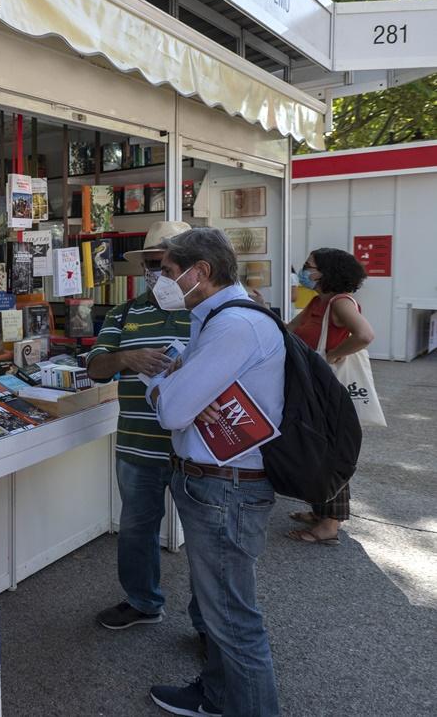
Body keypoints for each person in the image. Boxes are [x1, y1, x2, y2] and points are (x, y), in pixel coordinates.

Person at [144, 227, 285, 717]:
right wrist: (171, 385)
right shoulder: (215, 319)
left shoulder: (233, 327)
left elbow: (171, 410)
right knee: (218, 609)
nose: (159, 280)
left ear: (198, 273)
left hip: (226, 487)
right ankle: (219, 694)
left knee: (232, 619)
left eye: (166, 271)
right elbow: (164, 386)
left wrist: (171, 387)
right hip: (214, 482)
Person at [86, 221, 204, 642]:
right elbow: (95, 369)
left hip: (196, 449)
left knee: (206, 543)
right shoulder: (125, 313)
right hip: (138, 445)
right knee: (137, 529)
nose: (159, 273)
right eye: (152, 264)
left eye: (168, 264)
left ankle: (208, 624)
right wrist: (125, 358)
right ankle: (142, 602)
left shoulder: (209, 313)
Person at [285, 248, 374, 545]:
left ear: (327, 272)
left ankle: (330, 524)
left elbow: (364, 335)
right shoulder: (317, 302)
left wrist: (333, 355)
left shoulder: (340, 302)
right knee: (315, 447)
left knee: (331, 451)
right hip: (314, 388)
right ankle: (320, 510)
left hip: (330, 390)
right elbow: (289, 331)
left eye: (309, 267)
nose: (305, 271)